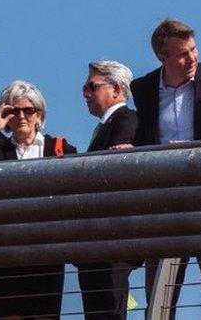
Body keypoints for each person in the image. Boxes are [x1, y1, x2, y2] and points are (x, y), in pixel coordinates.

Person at [131, 18, 201, 320]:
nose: (192, 57)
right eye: (182, 54)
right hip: (163, 203)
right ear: (162, 57)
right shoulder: (142, 88)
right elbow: (144, 138)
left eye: (194, 49)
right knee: (159, 297)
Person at [0, 80, 78, 320]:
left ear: (39, 114)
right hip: (6, 253)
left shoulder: (60, 149)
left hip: (47, 253)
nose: (21, 116)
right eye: (13, 111)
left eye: (28, 110)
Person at [77, 61, 140, 320]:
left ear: (116, 89)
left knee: (108, 311)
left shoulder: (126, 119)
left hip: (111, 238)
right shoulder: (105, 125)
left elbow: (115, 170)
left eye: (92, 86)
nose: (86, 94)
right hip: (97, 241)